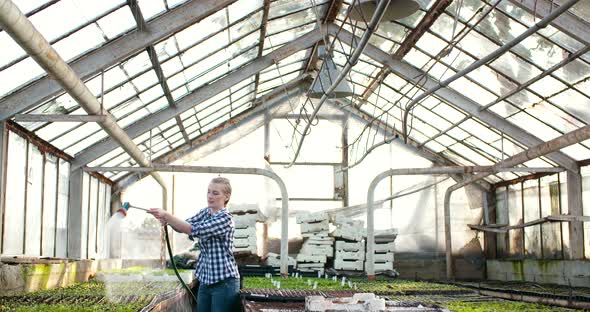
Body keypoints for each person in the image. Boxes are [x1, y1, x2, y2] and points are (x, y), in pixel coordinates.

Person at [148, 177, 240, 312]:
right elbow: (183, 226)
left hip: (224, 282)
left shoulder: (226, 219)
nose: (210, 196)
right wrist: (167, 220)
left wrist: (167, 216)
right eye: (208, 192)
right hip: (205, 280)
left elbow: (192, 229)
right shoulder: (205, 213)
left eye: (215, 193)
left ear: (226, 196)